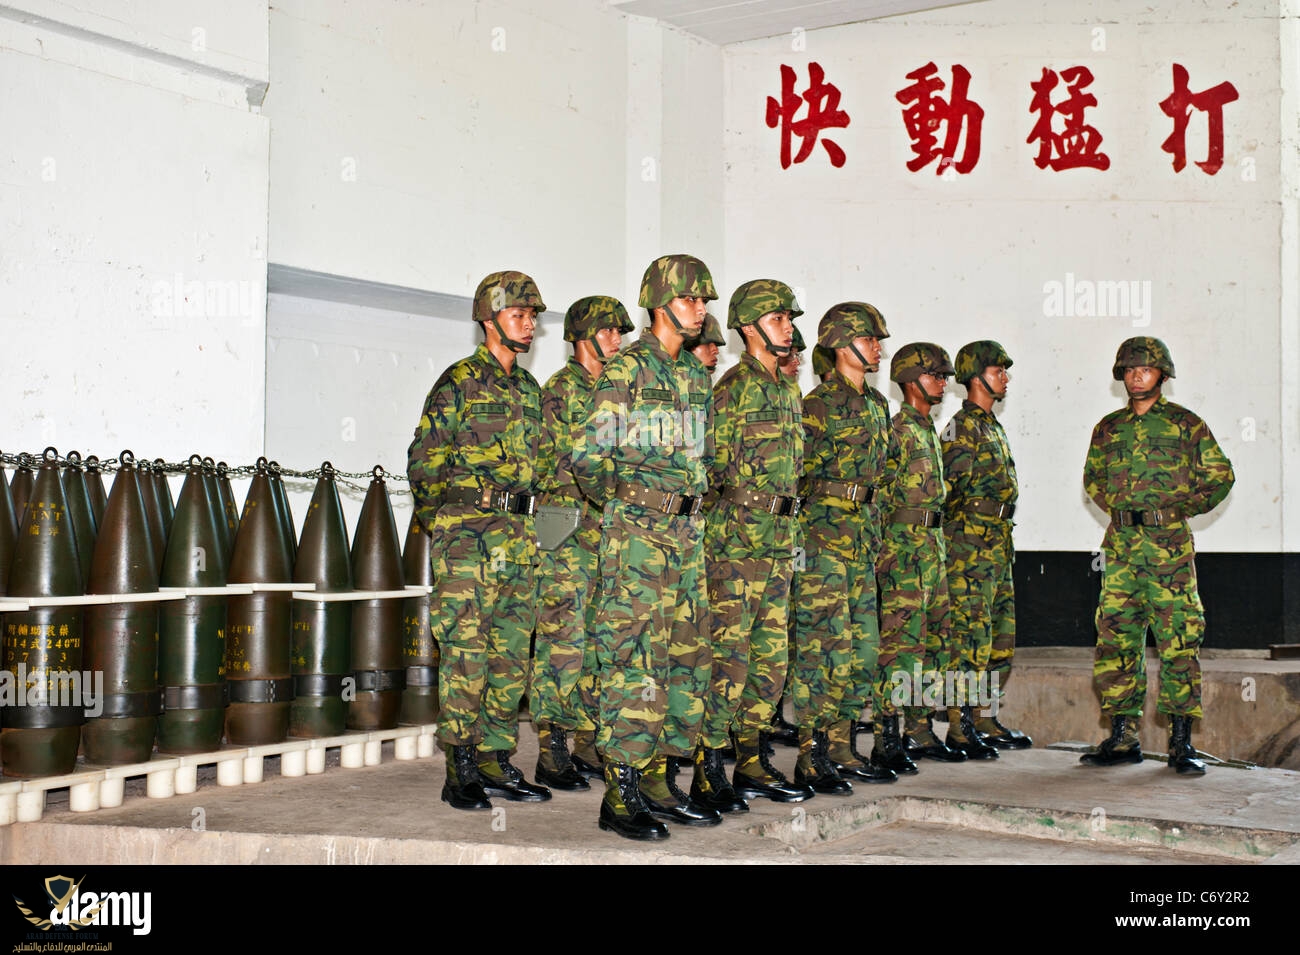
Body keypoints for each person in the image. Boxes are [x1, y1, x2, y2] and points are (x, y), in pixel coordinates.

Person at [574, 253, 719, 839]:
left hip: (688, 536)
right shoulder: (627, 370)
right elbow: (588, 459)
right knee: (634, 659)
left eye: (704, 300)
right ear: (660, 303)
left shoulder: (695, 376)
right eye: (690, 299)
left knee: (685, 657)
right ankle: (621, 791)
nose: (700, 309)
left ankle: (659, 778)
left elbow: (704, 459)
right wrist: (633, 505)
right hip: (638, 538)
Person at [407, 270, 553, 810]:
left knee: (511, 655)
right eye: (519, 315)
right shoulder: (459, 382)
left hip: (520, 540)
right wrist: (447, 526)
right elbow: (424, 464)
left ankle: (495, 758)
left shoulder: (530, 391)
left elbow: (543, 467)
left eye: (532, 316)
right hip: (468, 542)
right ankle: (461, 766)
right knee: (466, 652)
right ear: (489, 320)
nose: (529, 324)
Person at [1080, 337, 1234, 775]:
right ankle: (1122, 736)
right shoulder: (1108, 428)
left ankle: (1181, 742)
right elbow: (1092, 478)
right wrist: (1122, 509)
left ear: (1162, 375)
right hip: (1121, 550)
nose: (1136, 376)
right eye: (1129, 370)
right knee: (1116, 639)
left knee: (1178, 640)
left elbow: (1221, 476)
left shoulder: (1186, 425)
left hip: (1169, 552)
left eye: (1145, 369)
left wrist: (1179, 509)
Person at [694, 279, 815, 804]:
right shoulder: (732, 389)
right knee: (729, 659)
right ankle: (707, 766)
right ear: (748, 327)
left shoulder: (788, 391)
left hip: (780, 543)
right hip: (737, 545)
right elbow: (708, 469)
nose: (787, 328)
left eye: (789, 319)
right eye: (777, 319)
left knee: (770, 661)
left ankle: (751, 759)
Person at [793, 302, 900, 787]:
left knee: (861, 650)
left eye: (878, 340)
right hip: (823, 542)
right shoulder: (817, 405)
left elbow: (887, 472)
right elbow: (796, 473)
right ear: (840, 344)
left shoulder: (878, 405)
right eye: (869, 339)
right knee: (823, 648)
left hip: (863, 540)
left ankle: (842, 746)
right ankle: (811, 754)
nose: (877, 348)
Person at [531, 296, 633, 792]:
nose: (618, 340)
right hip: (568, 531)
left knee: (601, 643)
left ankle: (589, 741)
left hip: (610, 534)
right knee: (563, 641)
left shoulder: (617, 391)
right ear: (582, 336)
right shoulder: (561, 390)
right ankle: (552, 747)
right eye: (609, 331)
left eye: (620, 332)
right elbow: (549, 463)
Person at [872, 342, 965, 771]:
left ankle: (920, 729)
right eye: (934, 376)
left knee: (932, 644)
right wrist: (885, 555)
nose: (942, 383)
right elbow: (879, 496)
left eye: (944, 377)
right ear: (910, 381)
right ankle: (887, 736)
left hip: (931, 548)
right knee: (900, 646)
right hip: (903, 552)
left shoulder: (928, 429)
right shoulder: (896, 431)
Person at [940, 341, 1021, 759]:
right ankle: (959, 725)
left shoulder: (991, 426)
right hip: (969, 547)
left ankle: (984, 716)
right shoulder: (961, 427)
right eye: (997, 370)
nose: (1005, 377)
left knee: (998, 637)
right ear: (975, 376)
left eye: (1005, 371)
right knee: (968, 637)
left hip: (997, 544)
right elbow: (947, 491)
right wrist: (961, 540)